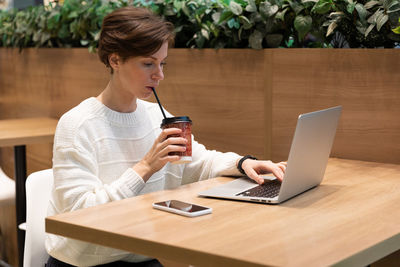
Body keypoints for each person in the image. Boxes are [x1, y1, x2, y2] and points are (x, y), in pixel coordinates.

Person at [45, 6, 286, 267]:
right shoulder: (77, 124)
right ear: (115, 60)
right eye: (148, 63)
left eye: (162, 63)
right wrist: (145, 167)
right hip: (85, 262)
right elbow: (78, 218)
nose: (159, 75)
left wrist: (242, 164)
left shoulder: (153, 115)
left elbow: (199, 161)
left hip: (141, 255)